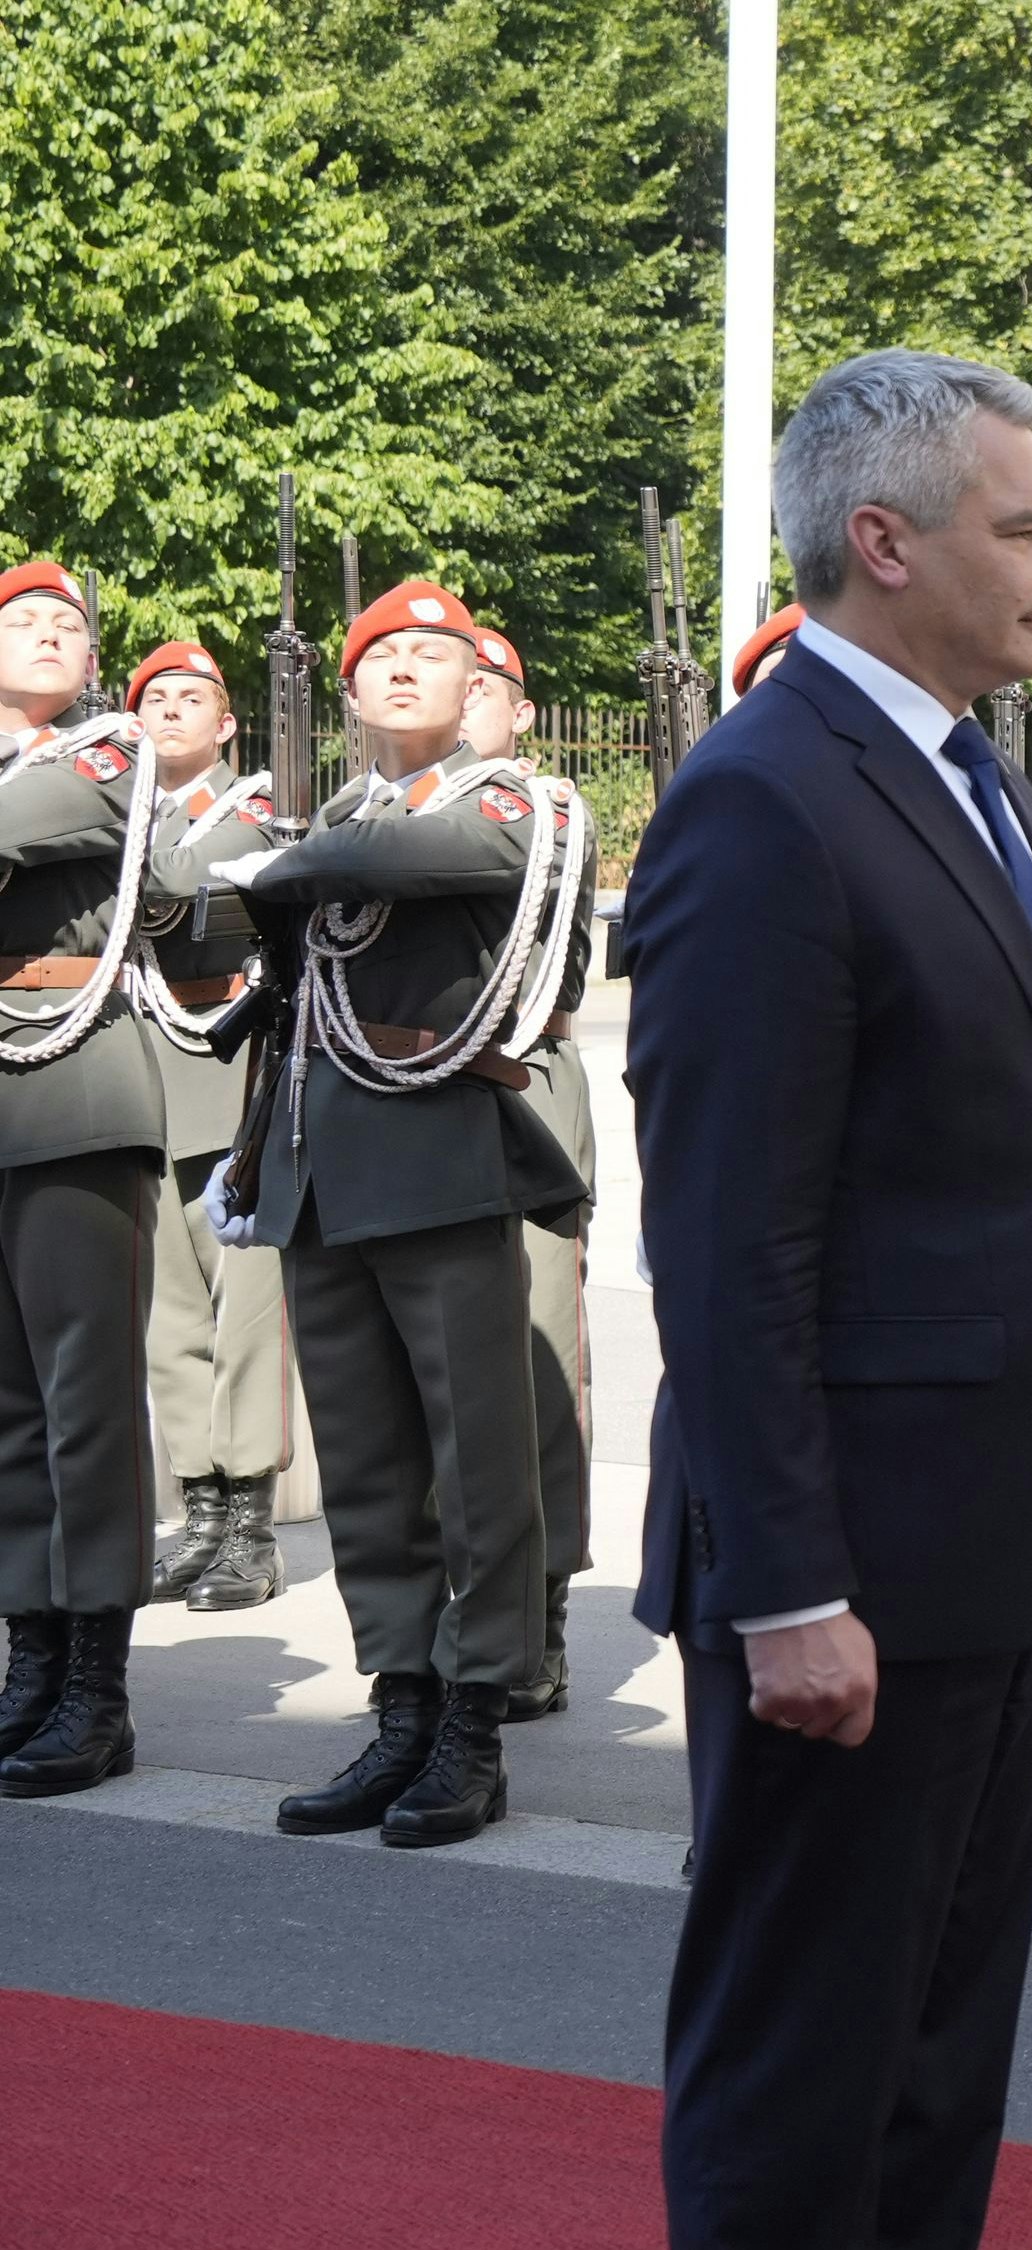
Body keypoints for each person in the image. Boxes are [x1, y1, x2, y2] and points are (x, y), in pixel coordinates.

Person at [625, 350, 1032, 2250]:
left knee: (933, 2081)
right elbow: (730, 1242)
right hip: (847, 1578)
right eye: (1023, 528)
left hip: (984, 1555)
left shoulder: (962, 779)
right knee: (802, 2083)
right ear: (882, 542)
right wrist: (787, 1585)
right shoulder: (767, 798)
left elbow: (1026, 1186)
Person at [208, 583, 589, 1843]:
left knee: (478, 1465)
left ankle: (476, 1722)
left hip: (437, 1162)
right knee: (371, 1469)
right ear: (356, 691)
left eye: (439, 657)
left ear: (474, 685)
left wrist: (278, 864)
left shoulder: (507, 804)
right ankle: (401, 1704)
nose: (413, 674)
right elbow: (207, 914)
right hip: (322, 1169)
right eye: (388, 660)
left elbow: (405, 863)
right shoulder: (336, 815)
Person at [0, 559, 173, 1798]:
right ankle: (31, 1657)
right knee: (10, 1413)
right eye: (26, 621)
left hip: (71, 1090)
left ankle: (99, 1689)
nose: (53, 633)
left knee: (84, 1405)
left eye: (70, 624)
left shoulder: (109, 752)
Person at [126, 641, 293, 1615]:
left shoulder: (253, 814)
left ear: (227, 724)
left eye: (193, 699)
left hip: (231, 1079)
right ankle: (198, 1513)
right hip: (139, 1079)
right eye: (155, 700)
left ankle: (251, 1527)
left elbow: (194, 909)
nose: (172, 712)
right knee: (170, 1316)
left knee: (244, 1314)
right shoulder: (116, 814)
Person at [459, 625, 602, 1724]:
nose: (463, 703)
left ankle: (539, 1609)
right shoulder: (383, 808)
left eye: (485, 687)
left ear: (520, 712)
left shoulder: (544, 812)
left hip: (520, 1069)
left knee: (540, 1350)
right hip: (408, 1088)